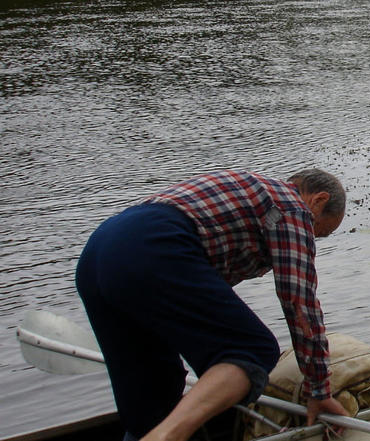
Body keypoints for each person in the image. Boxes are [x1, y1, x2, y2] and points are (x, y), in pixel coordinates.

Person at [75, 168, 350, 441]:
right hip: (154, 244)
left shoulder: (252, 195)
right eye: (318, 232)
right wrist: (318, 390)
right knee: (252, 349)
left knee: (156, 394)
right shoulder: (292, 209)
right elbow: (299, 303)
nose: (310, 238)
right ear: (319, 200)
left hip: (99, 254)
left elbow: (192, 300)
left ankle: (152, 432)